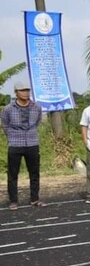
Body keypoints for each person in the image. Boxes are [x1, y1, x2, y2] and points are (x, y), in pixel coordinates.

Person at [1, 81, 45, 210]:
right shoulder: (8, 108)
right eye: (22, 90)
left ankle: (35, 199)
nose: (26, 93)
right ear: (16, 93)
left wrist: (30, 133)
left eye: (27, 90)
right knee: (13, 174)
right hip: (15, 144)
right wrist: (12, 136)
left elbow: (37, 122)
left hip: (32, 143)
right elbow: (5, 124)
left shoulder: (36, 107)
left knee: (35, 173)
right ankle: (13, 200)